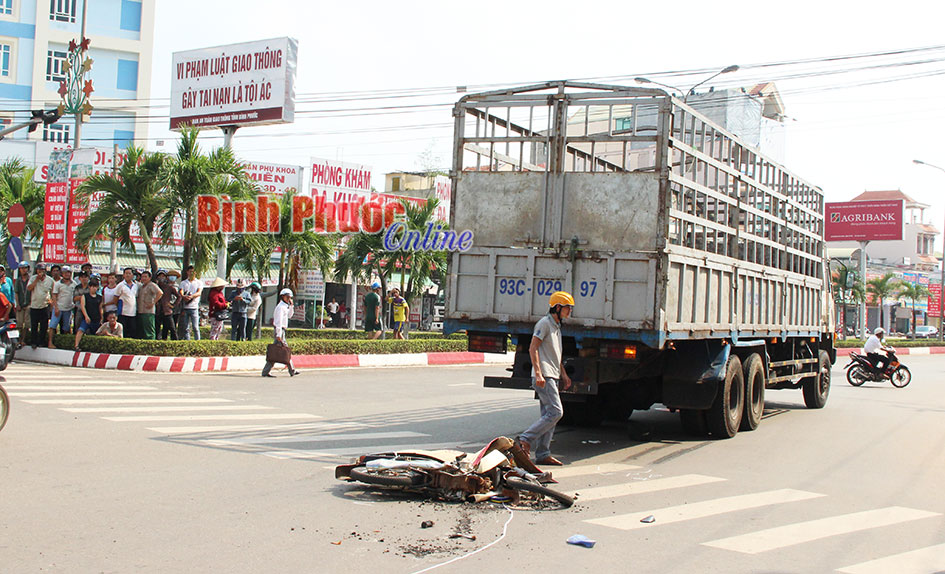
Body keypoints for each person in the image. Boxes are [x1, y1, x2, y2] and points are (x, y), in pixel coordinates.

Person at [516, 291, 575, 467]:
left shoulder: (556, 327)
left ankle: (542, 454)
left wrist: (564, 374)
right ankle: (525, 439)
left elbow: (555, 355)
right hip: (545, 375)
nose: (569, 311)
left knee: (549, 415)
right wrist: (538, 373)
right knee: (556, 412)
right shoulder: (544, 324)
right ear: (557, 307)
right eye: (567, 308)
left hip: (553, 374)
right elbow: (533, 348)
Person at [262, 288, 299, 377]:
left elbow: (290, 316)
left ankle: (266, 371)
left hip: (282, 330)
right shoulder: (280, 307)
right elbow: (278, 322)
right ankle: (292, 370)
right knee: (285, 350)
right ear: (282, 297)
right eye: (287, 297)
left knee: (275, 351)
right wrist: (279, 334)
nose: (289, 299)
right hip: (280, 330)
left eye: (290, 297)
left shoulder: (285, 306)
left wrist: (291, 306)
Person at [48, 265, 76, 348]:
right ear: (62, 274)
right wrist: (56, 308)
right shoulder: (58, 284)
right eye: (65, 272)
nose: (67, 274)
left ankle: (65, 344)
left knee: (66, 327)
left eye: (69, 272)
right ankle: (50, 343)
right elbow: (54, 296)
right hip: (58, 308)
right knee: (53, 326)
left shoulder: (74, 284)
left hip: (68, 309)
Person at [26, 263, 54, 349]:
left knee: (44, 326)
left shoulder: (50, 280)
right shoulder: (33, 278)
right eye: (39, 270)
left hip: (45, 306)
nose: (40, 271)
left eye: (42, 270)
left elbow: (52, 293)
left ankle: (42, 342)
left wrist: (52, 304)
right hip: (34, 306)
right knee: (34, 326)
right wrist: (36, 280)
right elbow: (29, 288)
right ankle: (33, 342)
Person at [74, 279, 103, 350]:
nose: (94, 288)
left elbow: (100, 308)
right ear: (89, 287)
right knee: (81, 330)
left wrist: (102, 317)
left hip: (96, 318)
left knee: (96, 333)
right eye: (92, 286)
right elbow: (83, 306)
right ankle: (76, 345)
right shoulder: (85, 296)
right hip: (87, 318)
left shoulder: (100, 297)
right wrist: (86, 316)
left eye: (95, 286)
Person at [136, 270, 163, 340]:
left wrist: (153, 302)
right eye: (142, 277)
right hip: (141, 311)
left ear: (150, 278)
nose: (144, 278)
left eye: (145, 277)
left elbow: (160, 293)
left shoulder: (152, 285)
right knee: (143, 330)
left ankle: (151, 342)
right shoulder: (141, 286)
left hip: (148, 311)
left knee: (149, 330)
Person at [179, 265, 202, 340]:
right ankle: (188, 341)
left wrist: (191, 296)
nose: (191, 273)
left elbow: (199, 292)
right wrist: (184, 296)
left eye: (193, 272)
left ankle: (197, 341)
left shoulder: (198, 282)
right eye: (190, 271)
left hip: (194, 307)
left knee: (195, 327)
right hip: (185, 307)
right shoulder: (183, 283)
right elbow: (181, 291)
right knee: (186, 327)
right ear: (187, 272)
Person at [115, 267, 139, 339]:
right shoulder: (120, 285)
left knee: (133, 331)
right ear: (123, 275)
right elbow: (115, 298)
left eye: (129, 273)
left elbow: (136, 297)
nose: (128, 275)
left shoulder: (135, 286)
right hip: (123, 313)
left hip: (133, 313)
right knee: (123, 331)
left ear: (132, 275)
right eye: (126, 273)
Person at [156, 270, 179, 340]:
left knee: (172, 328)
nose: (161, 278)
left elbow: (179, 296)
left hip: (167, 311)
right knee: (157, 329)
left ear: (166, 277)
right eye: (160, 276)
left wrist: (173, 305)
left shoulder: (169, 287)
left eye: (163, 276)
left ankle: (175, 342)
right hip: (157, 311)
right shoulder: (155, 286)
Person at [13, 261, 31, 348]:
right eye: (22, 268)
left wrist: (30, 303)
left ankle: (23, 340)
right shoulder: (18, 280)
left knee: (27, 324)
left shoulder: (31, 279)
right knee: (19, 323)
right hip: (20, 304)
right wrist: (18, 304)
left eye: (25, 268)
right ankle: (18, 340)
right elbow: (16, 293)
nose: (24, 270)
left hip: (28, 304)